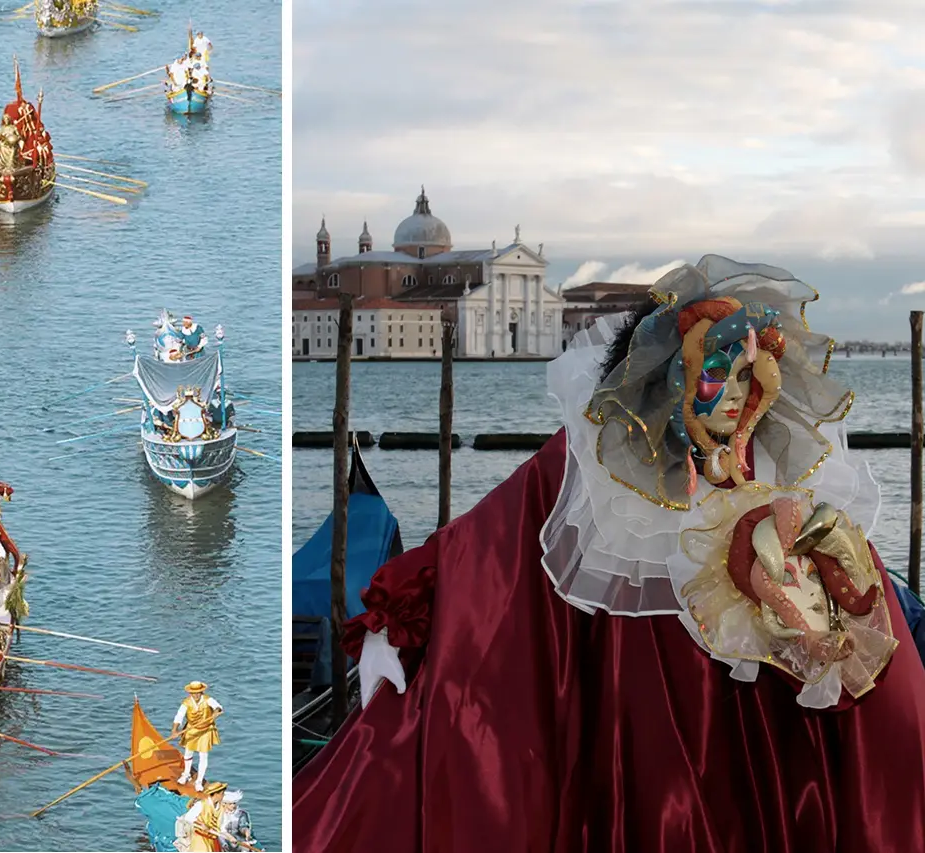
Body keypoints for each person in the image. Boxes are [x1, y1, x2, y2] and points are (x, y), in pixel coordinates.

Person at [293, 256, 925, 852]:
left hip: (750, 717)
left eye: (744, 378)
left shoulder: (773, 469)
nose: (733, 397)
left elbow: (851, 583)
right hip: (644, 709)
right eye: (714, 375)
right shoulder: (596, 462)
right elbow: (488, 537)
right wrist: (398, 613)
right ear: (671, 378)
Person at [172, 681, 222, 791]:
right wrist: (175, 730)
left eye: (198, 693)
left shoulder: (207, 699)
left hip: (205, 730)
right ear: (190, 693)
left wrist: (215, 713)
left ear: (201, 692)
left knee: (203, 755)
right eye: (194, 693)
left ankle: (199, 781)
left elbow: (217, 707)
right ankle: (186, 774)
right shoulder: (186, 702)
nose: (196, 695)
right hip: (192, 729)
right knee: (188, 752)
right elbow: (179, 716)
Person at [175, 782, 227, 853]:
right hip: (200, 838)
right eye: (222, 793)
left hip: (213, 840)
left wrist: (230, 837)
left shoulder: (221, 808)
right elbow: (188, 817)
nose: (223, 796)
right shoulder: (201, 804)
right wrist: (201, 824)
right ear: (216, 794)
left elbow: (222, 827)